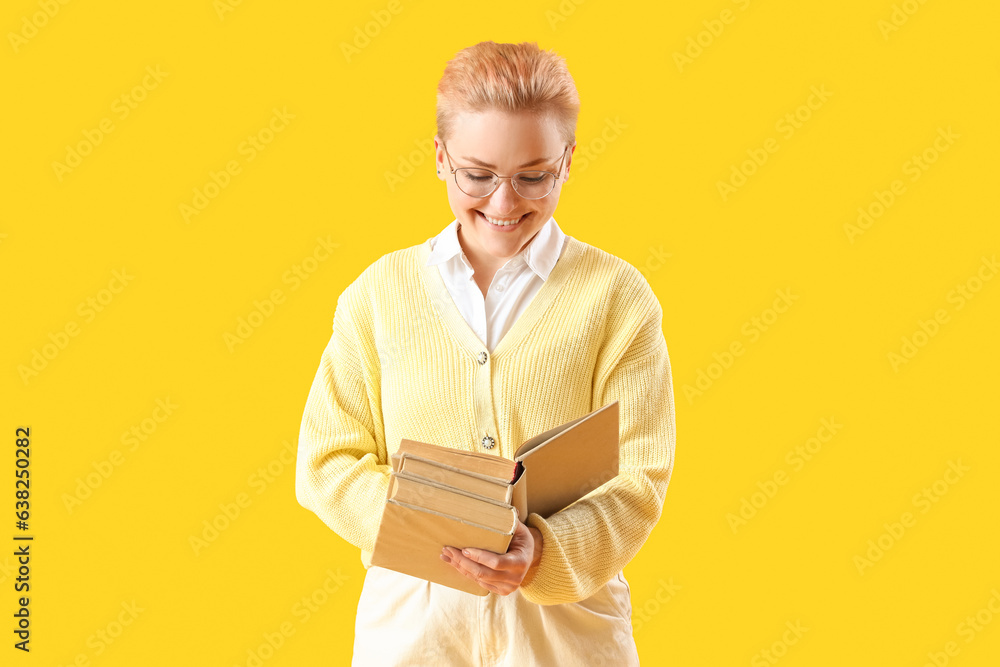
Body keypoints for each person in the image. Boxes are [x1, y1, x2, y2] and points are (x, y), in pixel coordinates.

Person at [295, 40, 676, 666]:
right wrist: (445, 530)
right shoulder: (380, 295)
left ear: (569, 161)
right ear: (441, 159)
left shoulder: (617, 298)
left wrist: (543, 555)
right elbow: (327, 461)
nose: (504, 204)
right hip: (414, 641)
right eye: (478, 175)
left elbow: (639, 479)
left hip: (565, 643)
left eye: (533, 176)